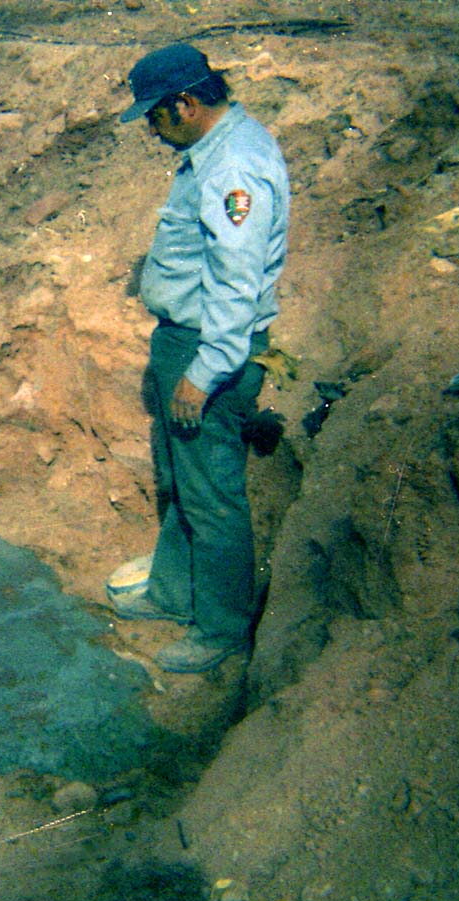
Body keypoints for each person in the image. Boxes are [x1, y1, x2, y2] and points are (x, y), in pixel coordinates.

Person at [108, 44, 290, 674]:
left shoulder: (232, 168)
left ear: (184, 104)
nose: (153, 132)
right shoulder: (214, 152)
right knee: (184, 478)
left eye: (156, 117)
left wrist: (205, 373)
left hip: (208, 346)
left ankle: (221, 629)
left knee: (211, 494)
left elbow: (237, 286)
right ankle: (173, 590)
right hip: (188, 338)